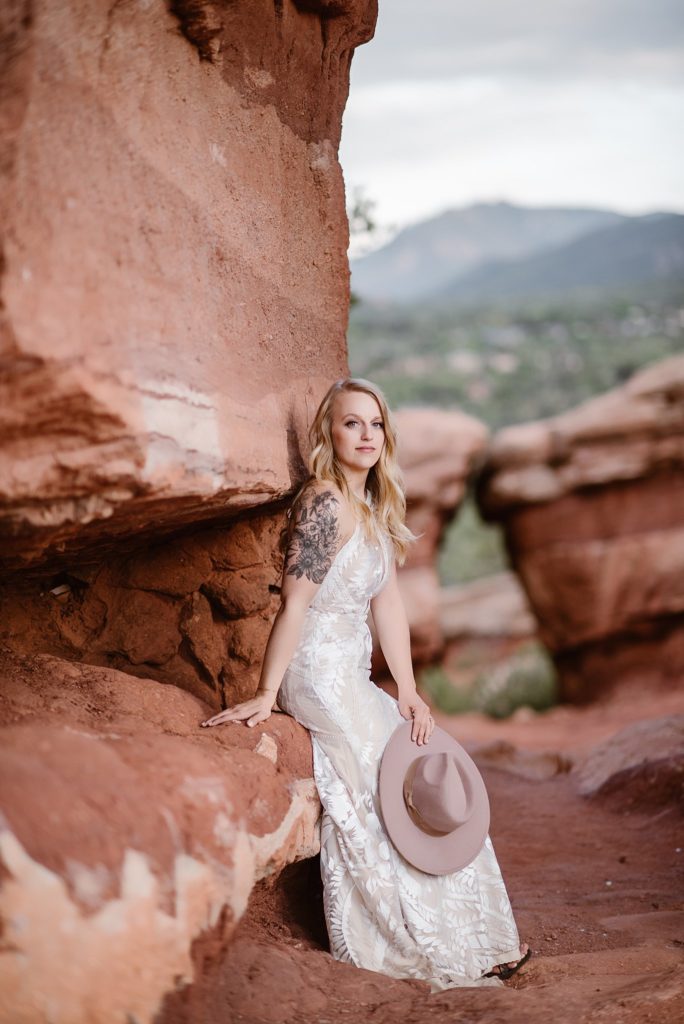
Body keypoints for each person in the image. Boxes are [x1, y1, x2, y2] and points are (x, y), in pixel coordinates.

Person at [201, 376, 530, 990]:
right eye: (352, 422)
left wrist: (407, 689)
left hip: (353, 675)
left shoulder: (375, 505)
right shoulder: (325, 502)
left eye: (375, 424)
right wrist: (268, 695)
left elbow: (389, 608)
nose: (367, 435)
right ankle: (406, 944)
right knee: (380, 789)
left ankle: (476, 940)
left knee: (422, 769)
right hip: (317, 676)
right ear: (329, 431)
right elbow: (294, 605)